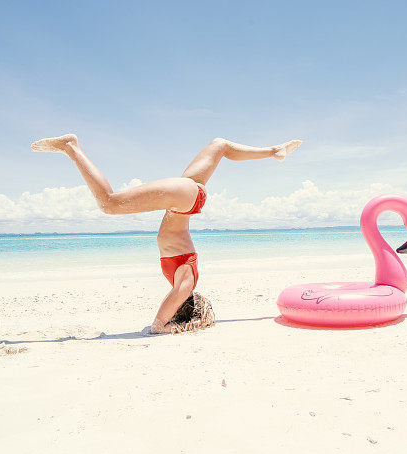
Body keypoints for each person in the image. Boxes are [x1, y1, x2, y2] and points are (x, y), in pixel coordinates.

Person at [31, 134, 302, 333]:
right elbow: (163, 315)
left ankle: (274, 150)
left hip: (187, 198)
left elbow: (172, 298)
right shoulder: (187, 282)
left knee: (220, 146)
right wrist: (161, 325)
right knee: (109, 203)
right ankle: (71, 147)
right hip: (184, 201)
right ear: (183, 305)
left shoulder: (180, 280)